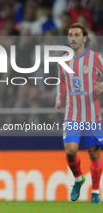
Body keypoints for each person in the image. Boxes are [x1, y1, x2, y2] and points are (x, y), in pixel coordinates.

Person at [55, 23, 103, 204]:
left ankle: (96, 192)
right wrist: (59, 99)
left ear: (84, 38)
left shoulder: (96, 58)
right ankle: (78, 179)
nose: (73, 38)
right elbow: (62, 82)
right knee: (70, 151)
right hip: (72, 113)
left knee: (93, 152)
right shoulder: (64, 61)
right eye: (70, 35)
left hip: (92, 114)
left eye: (77, 34)